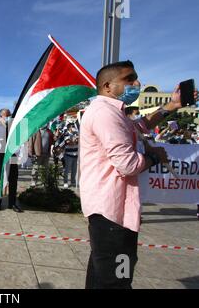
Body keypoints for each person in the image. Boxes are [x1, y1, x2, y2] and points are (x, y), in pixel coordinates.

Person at [80, 60, 197, 289]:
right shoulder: (105, 114)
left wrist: (172, 106)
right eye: (129, 79)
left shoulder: (116, 114)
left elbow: (141, 125)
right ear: (107, 86)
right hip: (112, 212)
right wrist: (155, 158)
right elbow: (128, 165)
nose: (137, 83)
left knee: (102, 272)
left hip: (112, 210)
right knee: (118, 278)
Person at [0, 108, 23, 212]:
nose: (7, 117)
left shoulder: (14, 125)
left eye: (8, 115)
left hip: (13, 154)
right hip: (0, 155)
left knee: (13, 179)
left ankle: (12, 203)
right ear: (0, 115)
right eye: (4, 115)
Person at [61, 123, 79, 189]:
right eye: (72, 126)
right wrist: (74, 141)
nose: (74, 127)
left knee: (74, 170)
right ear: (69, 128)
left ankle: (73, 182)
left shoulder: (76, 133)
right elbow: (68, 142)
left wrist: (75, 140)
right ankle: (65, 182)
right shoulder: (66, 133)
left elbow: (78, 141)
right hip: (68, 155)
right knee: (67, 170)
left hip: (75, 154)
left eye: (74, 126)